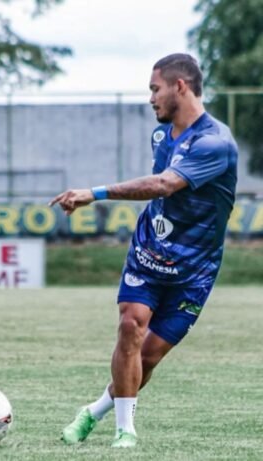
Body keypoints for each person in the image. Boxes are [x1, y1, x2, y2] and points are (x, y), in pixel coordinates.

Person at [51, 53, 237, 448]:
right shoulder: (161, 135)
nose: (151, 98)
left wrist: (94, 193)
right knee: (130, 327)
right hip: (149, 253)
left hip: (195, 269)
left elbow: (163, 185)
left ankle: (94, 411)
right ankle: (125, 431)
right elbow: (158, 191)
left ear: (180, 86)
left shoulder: (214, 143)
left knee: (148, 357)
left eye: (155, 89)